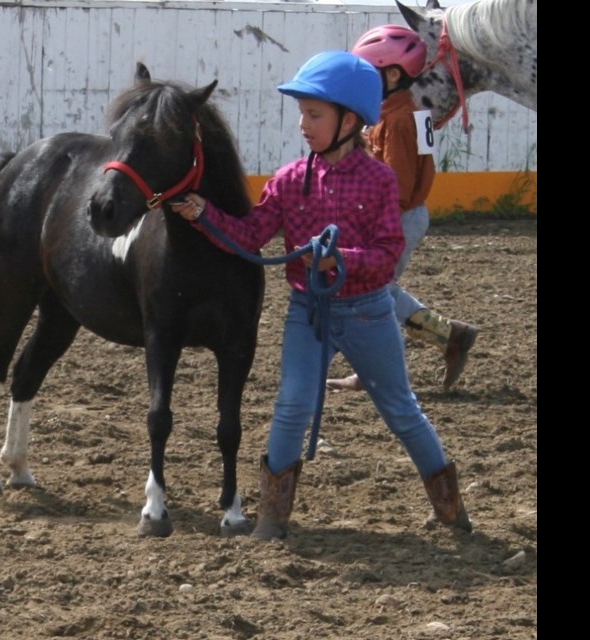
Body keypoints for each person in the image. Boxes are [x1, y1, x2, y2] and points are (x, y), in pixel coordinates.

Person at [170, 50, 472, 540]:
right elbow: (251, 236)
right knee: (291, 405)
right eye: (302, 114)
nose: (303, 125)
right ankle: (272, 518)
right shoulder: (290, 180)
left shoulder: (378, 180)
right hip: (308, 310)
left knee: (400, 408)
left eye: (314, 114)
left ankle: (450, 506)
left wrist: (340, 260)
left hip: (369, 313)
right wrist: (205, 214)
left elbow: (387, 251)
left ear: (349, 120)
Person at [326, 25, 479, 393]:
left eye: (369, 73)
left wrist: (376, 224)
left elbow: (395, 179)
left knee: (369, 292)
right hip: (408, 213)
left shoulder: (395, 121)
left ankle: (420, 351)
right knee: (375, 288)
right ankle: (450, 336)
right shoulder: (408, 112)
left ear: (392, 75)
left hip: (397, 217)